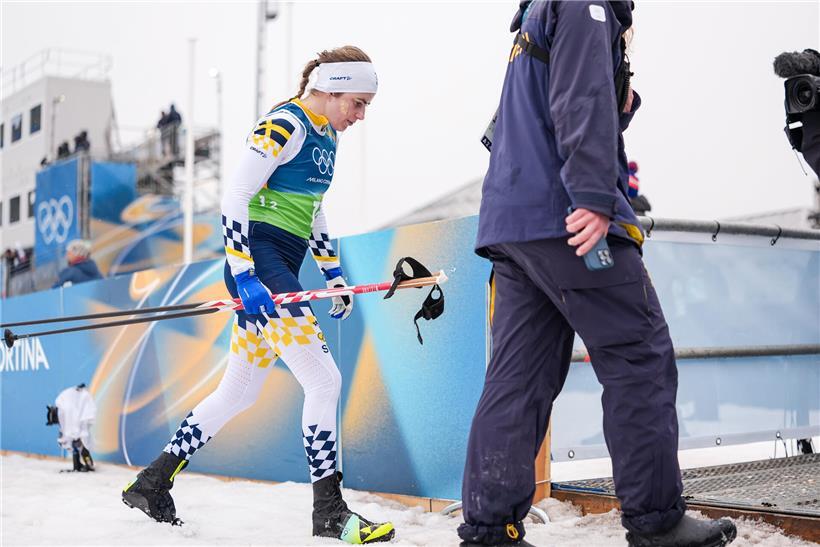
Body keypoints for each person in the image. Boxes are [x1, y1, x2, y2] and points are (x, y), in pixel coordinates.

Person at [458, 3, 736, 547]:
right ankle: (657, 522)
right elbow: (579, 96)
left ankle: (490, 530)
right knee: (639, 356)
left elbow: (550, 104)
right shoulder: (585, 4)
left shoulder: (540, 10)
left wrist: (619, 101)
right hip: (567, 215)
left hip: (514, 221)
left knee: (519, 377)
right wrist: (591, 193)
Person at [122, 46, 394, 544]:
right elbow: (235, 196)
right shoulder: (285, 123)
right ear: (331, 88)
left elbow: (314, 209)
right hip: (261, 264)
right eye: (357, 103)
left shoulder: (328, 136)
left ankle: (152, 482)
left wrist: (333, 274)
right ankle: (329, 513)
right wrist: (245, 274)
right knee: (324, 381)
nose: (360, 115)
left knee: (239, 391)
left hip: (279, 265)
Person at [48, 383, 97, 472]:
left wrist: (77, 390)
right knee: (77, 444)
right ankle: (79, 465)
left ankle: (87, 465)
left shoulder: (62, 404)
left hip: (81, 419)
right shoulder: (62, 403)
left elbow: (68, 429)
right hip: (80, 420)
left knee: (79, 444)